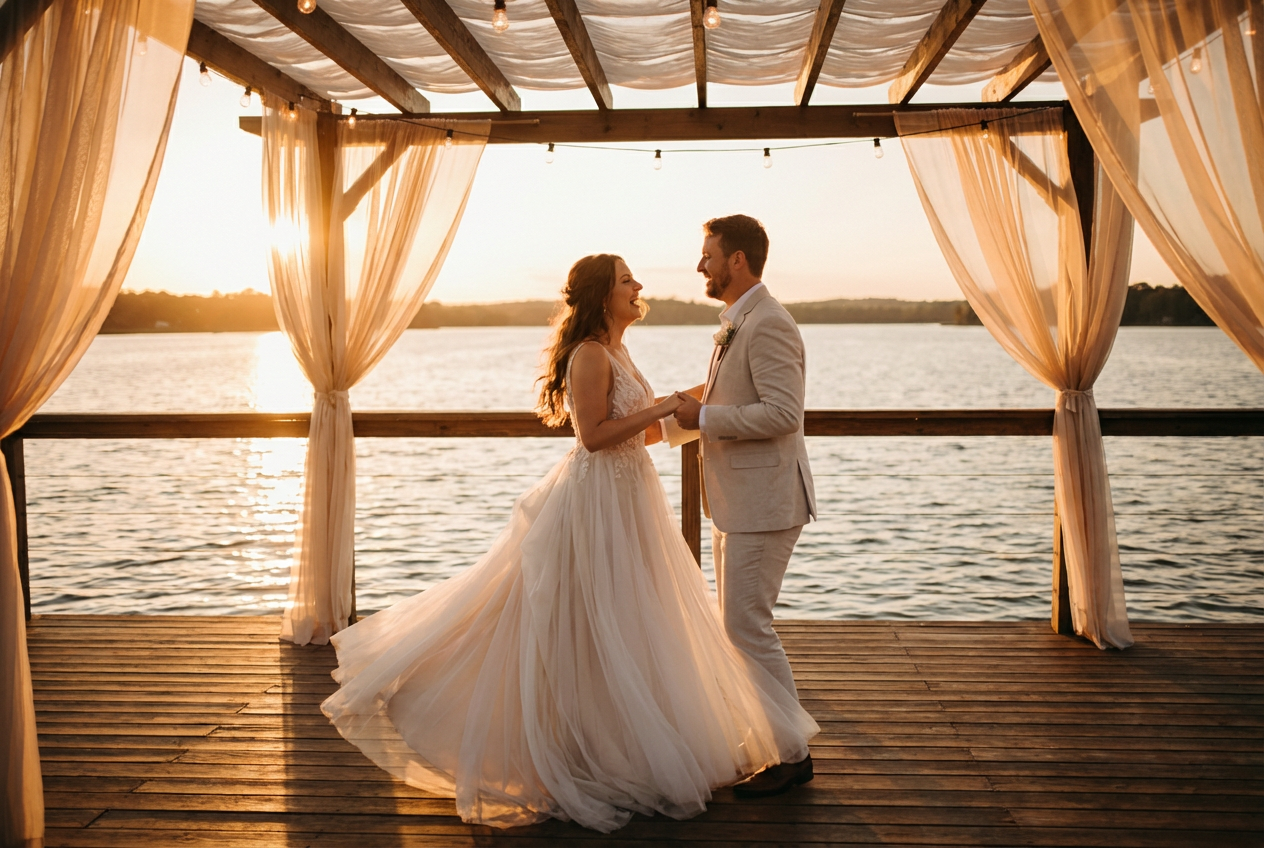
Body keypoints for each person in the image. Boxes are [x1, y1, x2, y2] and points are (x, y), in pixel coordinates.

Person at [320, 253, 819, 833]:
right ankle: (571, 747)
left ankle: (626, 741)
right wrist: (670, 405)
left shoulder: (620, 351)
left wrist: (694, 404)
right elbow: (592, 436)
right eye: (626, 281)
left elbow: (654, 431)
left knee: (632, 622)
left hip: (631, 499)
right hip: (597, 501)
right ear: (602, 297)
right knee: (583, 619)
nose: (639, 286)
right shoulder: (587, 353)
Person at [672, 214, 818, 798]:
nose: (699, 264)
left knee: (747, 628)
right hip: (736, 501)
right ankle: (771, 741)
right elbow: (737, 397)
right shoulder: (739, 321)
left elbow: (785, 414)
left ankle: (792, 755)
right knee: (739, 630)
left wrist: (704, 417)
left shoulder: (769, 324)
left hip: (766, 502)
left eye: (707, 254)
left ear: (737, 260)